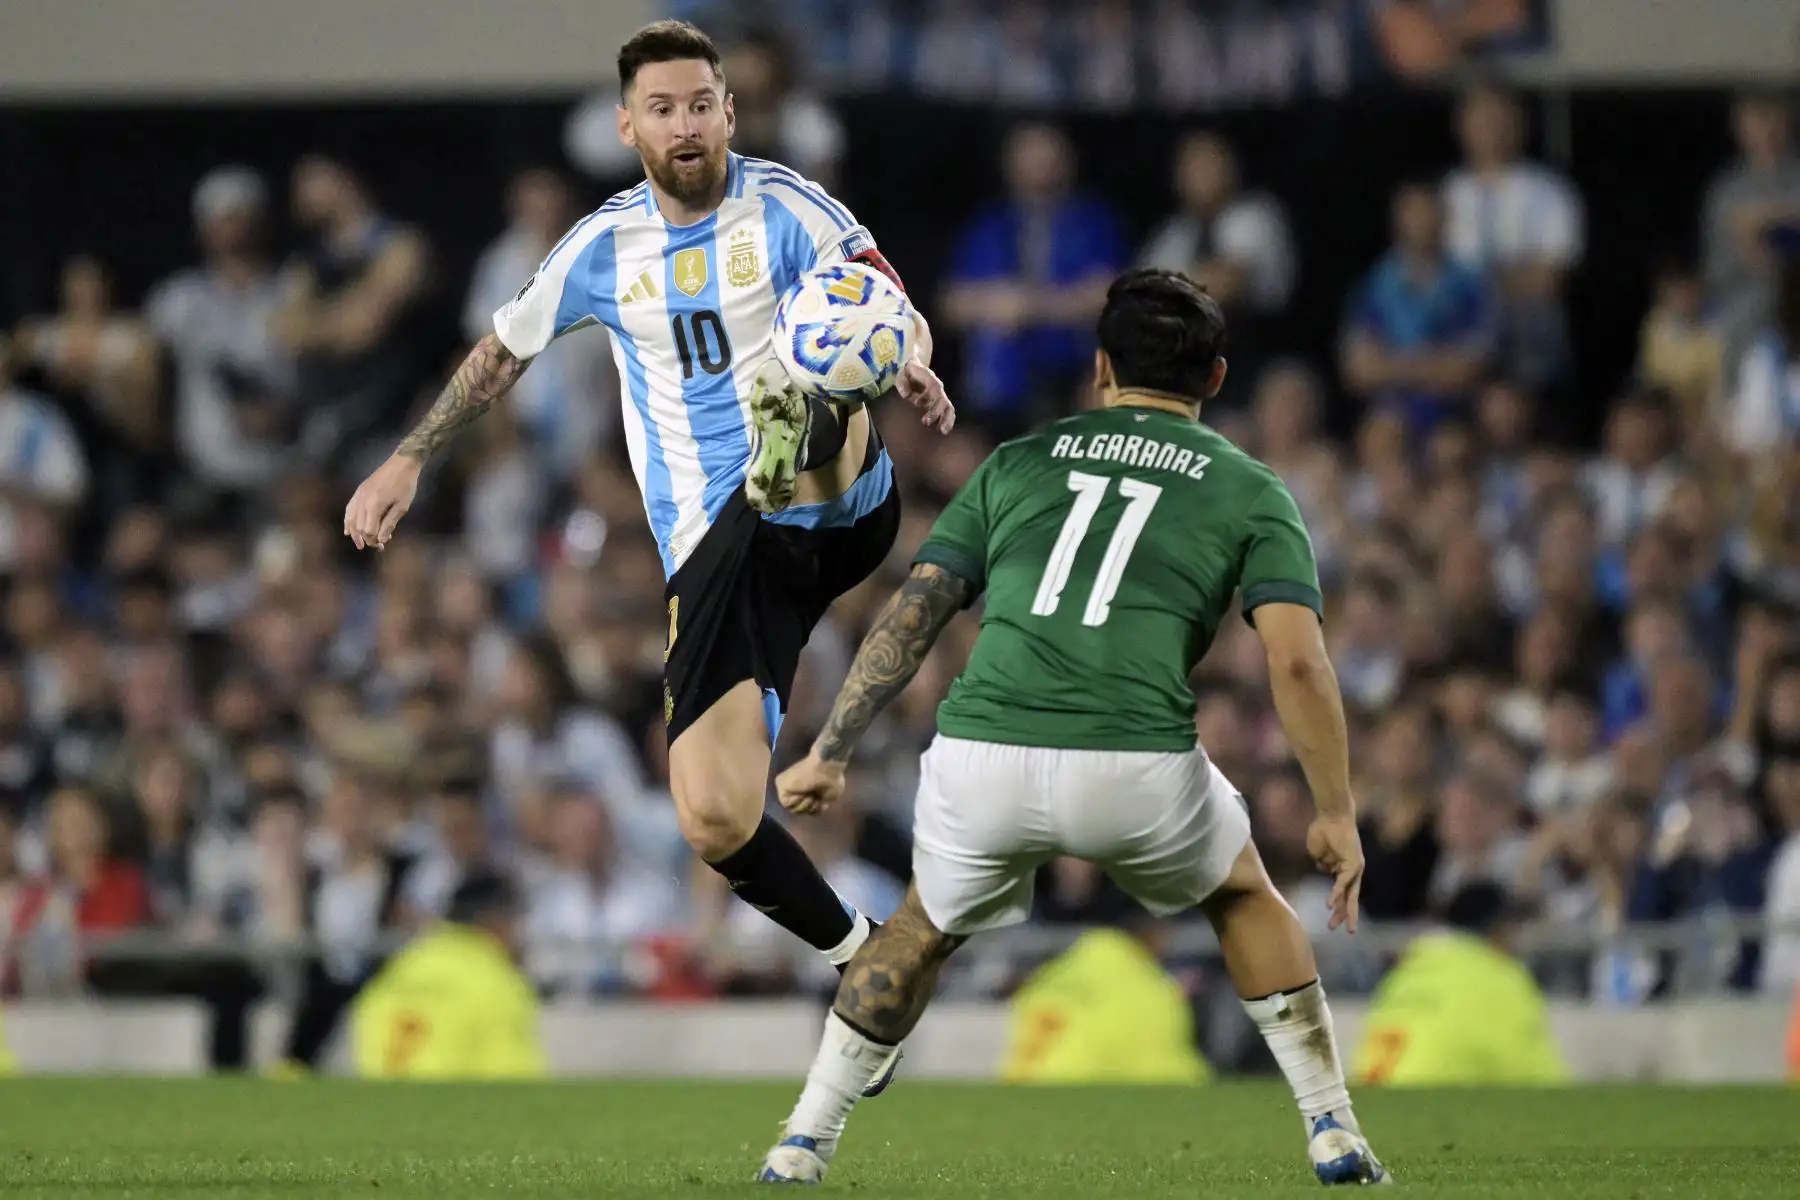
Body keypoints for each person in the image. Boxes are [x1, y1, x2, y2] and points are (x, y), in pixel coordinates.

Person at [342, 20, 955, 1096]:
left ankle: (805, 417)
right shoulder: (599, 249)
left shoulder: (792, 210)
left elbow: (883, 301)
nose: (686, 124)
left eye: (702, 104)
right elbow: (499, 357)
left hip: (831, 499)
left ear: (729, 111)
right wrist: (407, 460)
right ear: (629, 126)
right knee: (714, 818)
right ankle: (867, 958)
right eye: (663, 109)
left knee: (806, 378)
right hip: (722, 558)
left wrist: (904, 362)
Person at [758, 269, 1388, 1186]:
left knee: (920, 928)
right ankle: (1332, 1128)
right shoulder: (1252, 491)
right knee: (1243, 896)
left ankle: (806, 1135)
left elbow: (916, 612)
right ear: (1214, 378)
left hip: (984, 756)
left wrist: (831, 749)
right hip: (1134, 766)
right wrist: (1334, 809)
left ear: (1101, 367)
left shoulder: (1018, 461)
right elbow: (1295, 660)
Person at [1352, 882, 1569, 1086]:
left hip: (1373, 1103)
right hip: (1435, 1106)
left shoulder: (1405, 974)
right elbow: (1538, 1074)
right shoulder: (1499, 978)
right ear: (1499, 929)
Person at [351, 871, 548, 1080]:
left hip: (385, 1105)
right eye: (518, 922)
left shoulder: (397, 971)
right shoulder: (497, 984)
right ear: (496, 922)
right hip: (455, 1108)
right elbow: (515, 1080)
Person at [999, 901, 1210, 1086]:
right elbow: (1160, 1060)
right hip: (1082, 1082)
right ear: (1151, 932)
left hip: (1028, 1077)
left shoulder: (1068, 966)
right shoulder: (1141, 983)